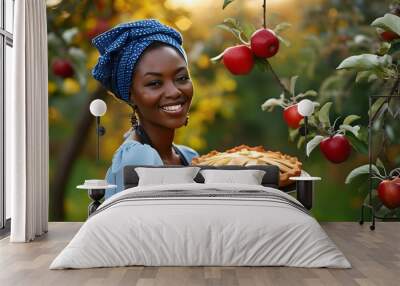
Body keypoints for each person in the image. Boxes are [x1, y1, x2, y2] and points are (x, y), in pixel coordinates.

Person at [91, 19, 199, 199]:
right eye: (155, 83)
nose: (174, 92)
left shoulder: (189, 156)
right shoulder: (138, 159)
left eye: (181, 78)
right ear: (131, 95)